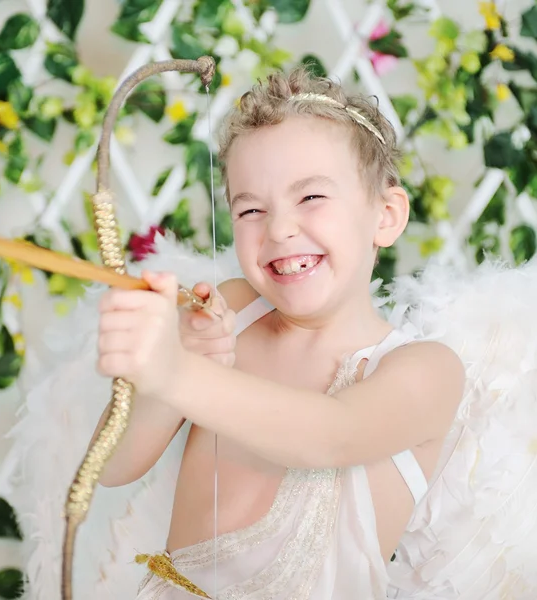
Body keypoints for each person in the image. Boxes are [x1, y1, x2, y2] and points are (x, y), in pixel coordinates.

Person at [92, 68, 466, 598]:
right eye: (250, 209)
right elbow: (110, 466)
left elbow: (331, 435)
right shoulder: (233, 312)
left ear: (386, 215)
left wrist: (175, 374)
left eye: (311, 197)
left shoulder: (424, 368)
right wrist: (167, 370)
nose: (278, 229)